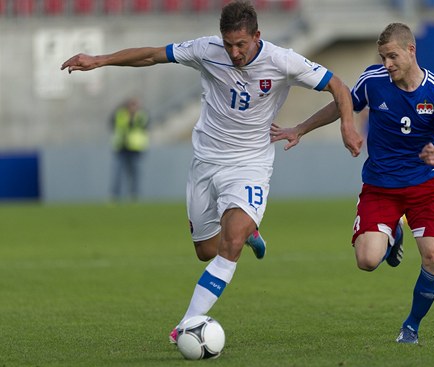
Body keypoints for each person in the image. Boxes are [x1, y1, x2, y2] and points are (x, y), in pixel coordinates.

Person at [61, 0, 362, 344]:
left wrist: (346, 127)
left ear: (257, 36)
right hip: (206, 161)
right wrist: (100, 60)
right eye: (229, 43)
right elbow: (152, 55)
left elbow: (338, 86)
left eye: (241, 44)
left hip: (249, 163)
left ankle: (187, 325)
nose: (234, 52)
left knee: (229, 244)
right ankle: (249, 232)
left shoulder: (283, 61)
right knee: (206, 251)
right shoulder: (207, 50)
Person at [271, 22, 434, 344]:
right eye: (383, 57)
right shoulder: (374, 81)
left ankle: (411, 327)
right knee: (367, 260)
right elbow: (342, 104)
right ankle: (393, 232)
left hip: (426, 186)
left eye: (393, 57)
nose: (387, 64)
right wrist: (300, 128)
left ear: (411, 51)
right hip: (381, 186)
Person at [109, 97, 149, 201]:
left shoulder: (141, 115)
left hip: (135, 149)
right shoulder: (121, 114)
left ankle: (134, 195)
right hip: (121, 147)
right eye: (131, 105)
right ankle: (115, 196)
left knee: (134, 174)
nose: (133, 107)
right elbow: (113, 123)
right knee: (118, 173)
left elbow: (143, 125)